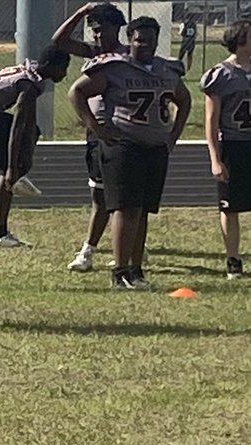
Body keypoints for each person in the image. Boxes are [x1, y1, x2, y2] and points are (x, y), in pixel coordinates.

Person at [69, 16, 191, 290]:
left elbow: (184, 99)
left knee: (143, 210)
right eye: (139, 40)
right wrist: (97, 128)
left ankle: (136, 270)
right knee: (126, 208)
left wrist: (173, 136)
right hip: (124, 145)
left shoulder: (167, 69)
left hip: (155, 146)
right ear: (130, 40)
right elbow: (77, 92)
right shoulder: (115, 68)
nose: (144, 45)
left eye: (149, 41)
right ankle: (120, 271)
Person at [0, 47, 71, 248]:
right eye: (63, 69)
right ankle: (0, 229)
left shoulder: (29, 72)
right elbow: (18, 127)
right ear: (50, 66)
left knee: (33, 132)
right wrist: (13, 166)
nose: (64, 75)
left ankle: (2, 224)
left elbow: (28, 124)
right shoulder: (28, 85)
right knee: (12, 168)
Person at [51, 1, 129, 272]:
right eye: (94, 31)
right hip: (96, 132)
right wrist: (81, 12)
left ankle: (101, 250)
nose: (98, 36)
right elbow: (59, 41)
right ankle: (94, 250)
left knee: (125, 197)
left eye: (102, 29)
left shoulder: (127, 55)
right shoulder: (93, 52)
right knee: (99, 195)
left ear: (117, 28)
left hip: (120, 131)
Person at [201, 19, 251, 279]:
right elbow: (211, 120)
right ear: (240, 39)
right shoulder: (221, 74)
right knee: (230, 207)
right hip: (233, 145)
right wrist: (215, 158)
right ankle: (233, 259)